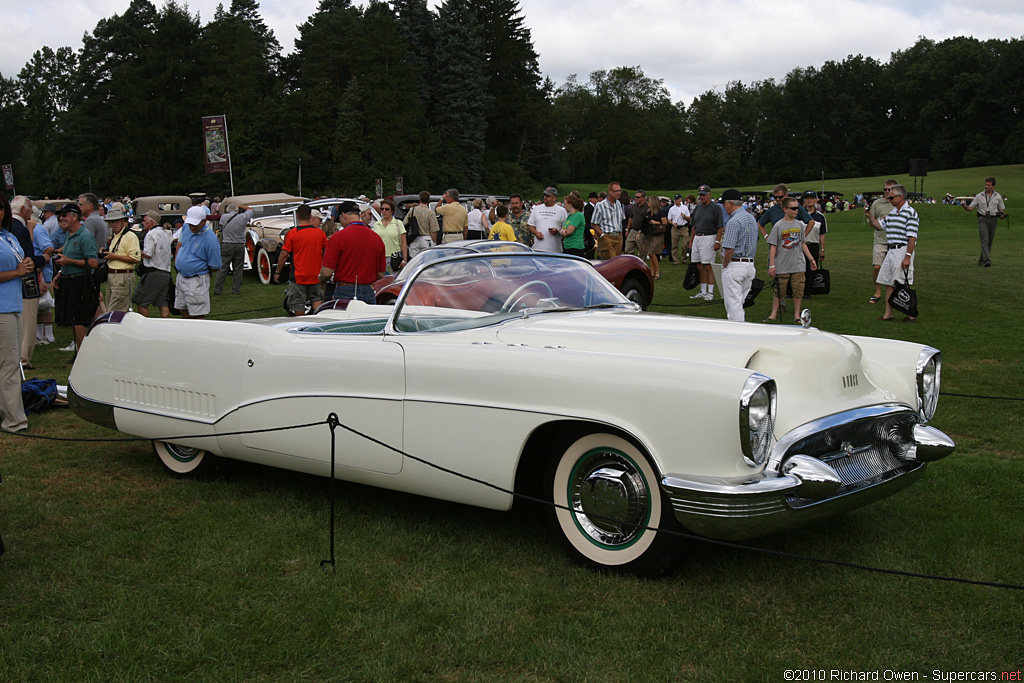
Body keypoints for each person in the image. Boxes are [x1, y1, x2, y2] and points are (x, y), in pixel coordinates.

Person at [0, 192, 33, 432]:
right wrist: (18, 272)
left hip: (14, 304)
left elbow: (21, 263)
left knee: (9, 364)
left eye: (1, 207)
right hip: (2, 308)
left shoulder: (8, 236)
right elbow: (15, 270)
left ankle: (10, 413)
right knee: (9, 364)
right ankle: (14, 420)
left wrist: (28, 266)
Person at [866, 184, 919, 322]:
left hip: (902, 249)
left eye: (892, 197)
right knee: (888, 282)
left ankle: (911, 313)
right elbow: (879, 226)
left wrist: (907, 256)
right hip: (891, 249)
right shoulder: (892, 213)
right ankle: (888, 314)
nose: (889, 199)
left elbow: (912, 237)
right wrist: (870, 216)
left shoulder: (910, 213)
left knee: (902, 282)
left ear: (901, 197)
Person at [52, 203, 99, 356]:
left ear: (74, 216)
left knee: (78, 320)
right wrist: (61, 273)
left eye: (64, 215)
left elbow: (93, 262)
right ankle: (79, 354)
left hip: (80, 282)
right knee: (73, 319)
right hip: (68, 280)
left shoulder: (85, 236)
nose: (61, 219)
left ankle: (82, 356)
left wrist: (69, 262)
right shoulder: (69, 235)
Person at [319, 200, 386, 304]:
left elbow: (327, 272)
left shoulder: (338, 237)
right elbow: (381, 274)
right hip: (368, 289)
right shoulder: (376, 238)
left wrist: (321, 280)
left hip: (345, 289)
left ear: (343, 215)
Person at [764, 197, 817, 323]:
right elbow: (773, 246)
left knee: (798, 289)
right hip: (782, 263)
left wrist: (811, 259)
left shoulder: (799, 225)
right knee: (779, 290)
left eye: (797, 208)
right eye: (793, 208)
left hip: (798, 263)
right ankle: (773, 314)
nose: (796, 211)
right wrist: (772, 265)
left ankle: (797, 315)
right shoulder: (778, 226)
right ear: (785, 209)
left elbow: (802, 243)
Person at [10, 197, 45, 369]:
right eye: (30, 207)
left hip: (11, 282)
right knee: (28, 320)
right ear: (23, 209)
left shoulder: (10, 228)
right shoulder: (21, 229)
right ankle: (24, 358)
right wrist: (44, 258)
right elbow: (28, 258)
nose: (32, 210)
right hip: (26, 281)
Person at [276, 204, 328, 315]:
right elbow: (327, 251)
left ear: (298, 216)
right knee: (316, 298)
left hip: (298, 275)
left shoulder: (292, 234)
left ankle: (301, 323)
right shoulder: (320, 233)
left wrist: (278, 271)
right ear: (310, 216)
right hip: (315, 274)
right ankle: (318, 320)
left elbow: (284, 254)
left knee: (298, 302)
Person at [173, 205, 221, 319]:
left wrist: (199, 269)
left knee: (197, 314)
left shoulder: (211, 240)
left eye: (195, 224)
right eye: (190, 224)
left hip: (196, 279)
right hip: (182, 277)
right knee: (183, 310)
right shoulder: (186, 227)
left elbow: (215, 265)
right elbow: (181, 244)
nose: (192, 227)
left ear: (204, 221)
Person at [719, 189, 759, 322]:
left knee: (733, 305)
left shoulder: (733, 221)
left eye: (724, 203)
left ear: (730, 203)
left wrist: (724, 265)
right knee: (739, 303)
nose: (724, 207)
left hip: (735, 264)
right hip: (749, 264)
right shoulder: (751, 218)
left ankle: (736, 333)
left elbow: (729, 249)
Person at [687, 185, 725, 301]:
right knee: (699, 265)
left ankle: (710, 291)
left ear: (709, 195)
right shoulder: (698, 208)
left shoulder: (715, 208)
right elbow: (694, 225)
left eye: (703, 195)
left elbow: (720, 226)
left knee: (708, 265)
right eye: (700, 195)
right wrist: (691, 240)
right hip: (698, 237)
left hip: (709, 237)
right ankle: (703, 291)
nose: (701, 197)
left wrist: (717, 241)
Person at [132, 210, 172, 318]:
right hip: (166, 273)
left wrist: (135, 251)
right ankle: (165, 327)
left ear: (151, 222)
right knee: (162, 302)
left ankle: (146, 326)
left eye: (144, 221)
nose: (143, 223)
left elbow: (148, 254)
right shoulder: (165, 234)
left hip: (154, 272)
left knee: (140, 301)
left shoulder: (150, 235)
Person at [101, 208, 140, 312]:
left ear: (123, 221)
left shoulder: (130, 236)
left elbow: (135, 259)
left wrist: (113, 257)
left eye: (116, 221)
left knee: (115, 311)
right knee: (111, 308)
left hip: (122, 275)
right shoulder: (116, 236)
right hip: (112, 276)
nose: (114, 224)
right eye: (111, 222)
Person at [963, 176, 1006, 267]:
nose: (987, 187)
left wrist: (1001, 215)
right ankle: (987, 260)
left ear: (993, 186)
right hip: (982, 219)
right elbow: (971, 208)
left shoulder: (998, 196)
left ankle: (982, 260)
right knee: (984, 240)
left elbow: (1001, 209)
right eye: (986, 185)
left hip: (993, 219)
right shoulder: (979, 196)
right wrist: (964, 206)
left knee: (990, 241)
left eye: (989, 185)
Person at [867, 180, 896, 303]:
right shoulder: (877, 203)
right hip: (880, 238)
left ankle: (894, 293)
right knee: (877, 267)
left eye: (890, 189)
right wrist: (879, 220)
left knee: (894, 269)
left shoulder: (898, 203)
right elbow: (871, 223)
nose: (887, 192)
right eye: (885, 189)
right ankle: (877, 291)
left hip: (895, 240)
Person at [213, 202, 252, 295]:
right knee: (238, 268)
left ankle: (218, 290)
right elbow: (250, 210)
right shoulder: (242, 217)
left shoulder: (223, 217)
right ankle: (236, 290)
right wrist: (240, 205)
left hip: (227, 244)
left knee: (223, 268)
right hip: (239, 244)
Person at [371, 198, 408, 274]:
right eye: (382, 209)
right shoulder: (376, 225)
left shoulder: (398, 223)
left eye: (387, 209)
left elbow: (404, 243)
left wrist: (404, 260)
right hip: (379, 258)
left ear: (392, 211)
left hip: (394, 259)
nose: (384, 211)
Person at [592, 182, 625, 259]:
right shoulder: (600, 205)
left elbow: (621, 220)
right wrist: (603, 236)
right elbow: (593, 223)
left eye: (619, 191)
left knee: (617, 261)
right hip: (607, 235)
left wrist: (621, 234)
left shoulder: (619, 204)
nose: (618, 193)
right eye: (616, 191)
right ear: (610, 191)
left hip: (618, 236)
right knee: (611, 261)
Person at [528, 187, 567, 253]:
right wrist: (536, 233)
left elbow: (565, 228)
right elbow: (530, 225)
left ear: (554, 198)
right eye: (544, 195)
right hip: (537, 249)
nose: (545, 197)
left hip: (555, 250)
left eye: (548, 196)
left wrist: (557, 231)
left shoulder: (562, 211)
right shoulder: (537, 209)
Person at [801, 191, 827, 289]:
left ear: (816, 200)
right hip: (800, 245)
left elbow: (822, 235)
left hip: (813, 245)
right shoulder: (799, 214)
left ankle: (808, 291)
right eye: (807, 198)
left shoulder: (820, 217)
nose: (809, 200)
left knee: (812, 269)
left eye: (811, 198)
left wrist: (823, 250)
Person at [405, 191, 437, 258]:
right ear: (429, 200)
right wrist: (433, 242)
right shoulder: (430, 213)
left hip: (414, 239)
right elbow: (434, 230)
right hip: (426, 239)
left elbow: (404, 223)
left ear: (419, 200)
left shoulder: (412, 210)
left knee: (415, 261)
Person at [641, 195, 664, 280]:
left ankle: (657, 272)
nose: (648, 203)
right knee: (650, 254)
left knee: (652, 253)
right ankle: (652, 272)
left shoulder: (661, 212)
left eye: (649, 201)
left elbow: (664, 223)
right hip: (649, 233)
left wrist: (655, 222)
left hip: (657, 234)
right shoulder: (648, 212)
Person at [667, 194, 691, 265]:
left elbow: (689, 218)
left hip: (684, 227)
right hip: (675, 228)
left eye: (677, 199)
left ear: (680, 200)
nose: (676, 200)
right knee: (674, 245)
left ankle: (684, 259)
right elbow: (669, 219)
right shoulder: (672, 209)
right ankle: (675, 260)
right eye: (675, 199)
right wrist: (672, 223)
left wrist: (684, 217)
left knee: (684, 244)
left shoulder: (685, 208)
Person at [624, 190, 648, 257]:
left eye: (638, 197)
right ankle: (630, 263)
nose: (636, 199)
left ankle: (641, 265)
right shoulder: (634, 206)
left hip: (642, 231)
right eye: (635, 197)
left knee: (642, 250)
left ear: (643, 198)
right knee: (628, 248)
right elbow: (630, 218)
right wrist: (627, 229)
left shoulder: (647, 207)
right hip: (633, 230)